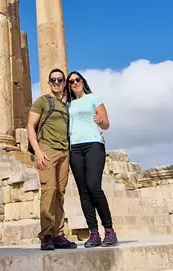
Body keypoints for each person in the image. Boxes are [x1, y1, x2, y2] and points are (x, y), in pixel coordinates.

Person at [27, 69, 77, 251]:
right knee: (49, 190)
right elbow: (30, 126)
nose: (56, 82)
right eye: (53, 80)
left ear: (64, 83)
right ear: (49, 83)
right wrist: (38, 151)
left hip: (64, 151)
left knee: (60, 192)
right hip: (47, 150)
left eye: (60, 80)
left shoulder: (65, 106)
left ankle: (58, 234)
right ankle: (47, 235)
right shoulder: (42, 101)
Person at [67, 71, 118, 247]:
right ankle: (94, 233)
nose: (75, 83)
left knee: (94, 187)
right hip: (75, 147)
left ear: (83, 81)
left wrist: (100, 120)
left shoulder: (94, 98)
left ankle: (109, 231)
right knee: (83, 191)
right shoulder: (68, 104)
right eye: (71, 81)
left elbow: (106, 124)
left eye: (77, 79)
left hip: (93, 144)